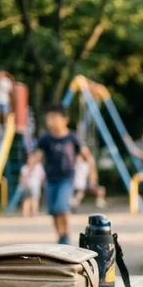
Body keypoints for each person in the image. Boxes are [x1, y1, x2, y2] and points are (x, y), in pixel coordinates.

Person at [34, 104, 93, 244]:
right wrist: (27, 172)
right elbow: (37, 156)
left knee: (62, 207)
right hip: (50, 179)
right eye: (48, 118)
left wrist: (92, 175)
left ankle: (66, 237)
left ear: (65, 119)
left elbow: (87, 156)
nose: (50, 121)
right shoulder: (45, 138)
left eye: (54, 118)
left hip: (66, 178)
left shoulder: (72, 138)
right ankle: (60, 236)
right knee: (53, 211)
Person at [20, 150, 45, 218]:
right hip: (28, 186)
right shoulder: (25, 168)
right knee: (27, 200)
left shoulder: (38, 166)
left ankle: (34, 212)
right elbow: (23, 177)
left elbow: (42, 176)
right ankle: (25, 213)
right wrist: (25, 184)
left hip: (36, 185)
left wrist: (42, 182)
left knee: (35, 199)